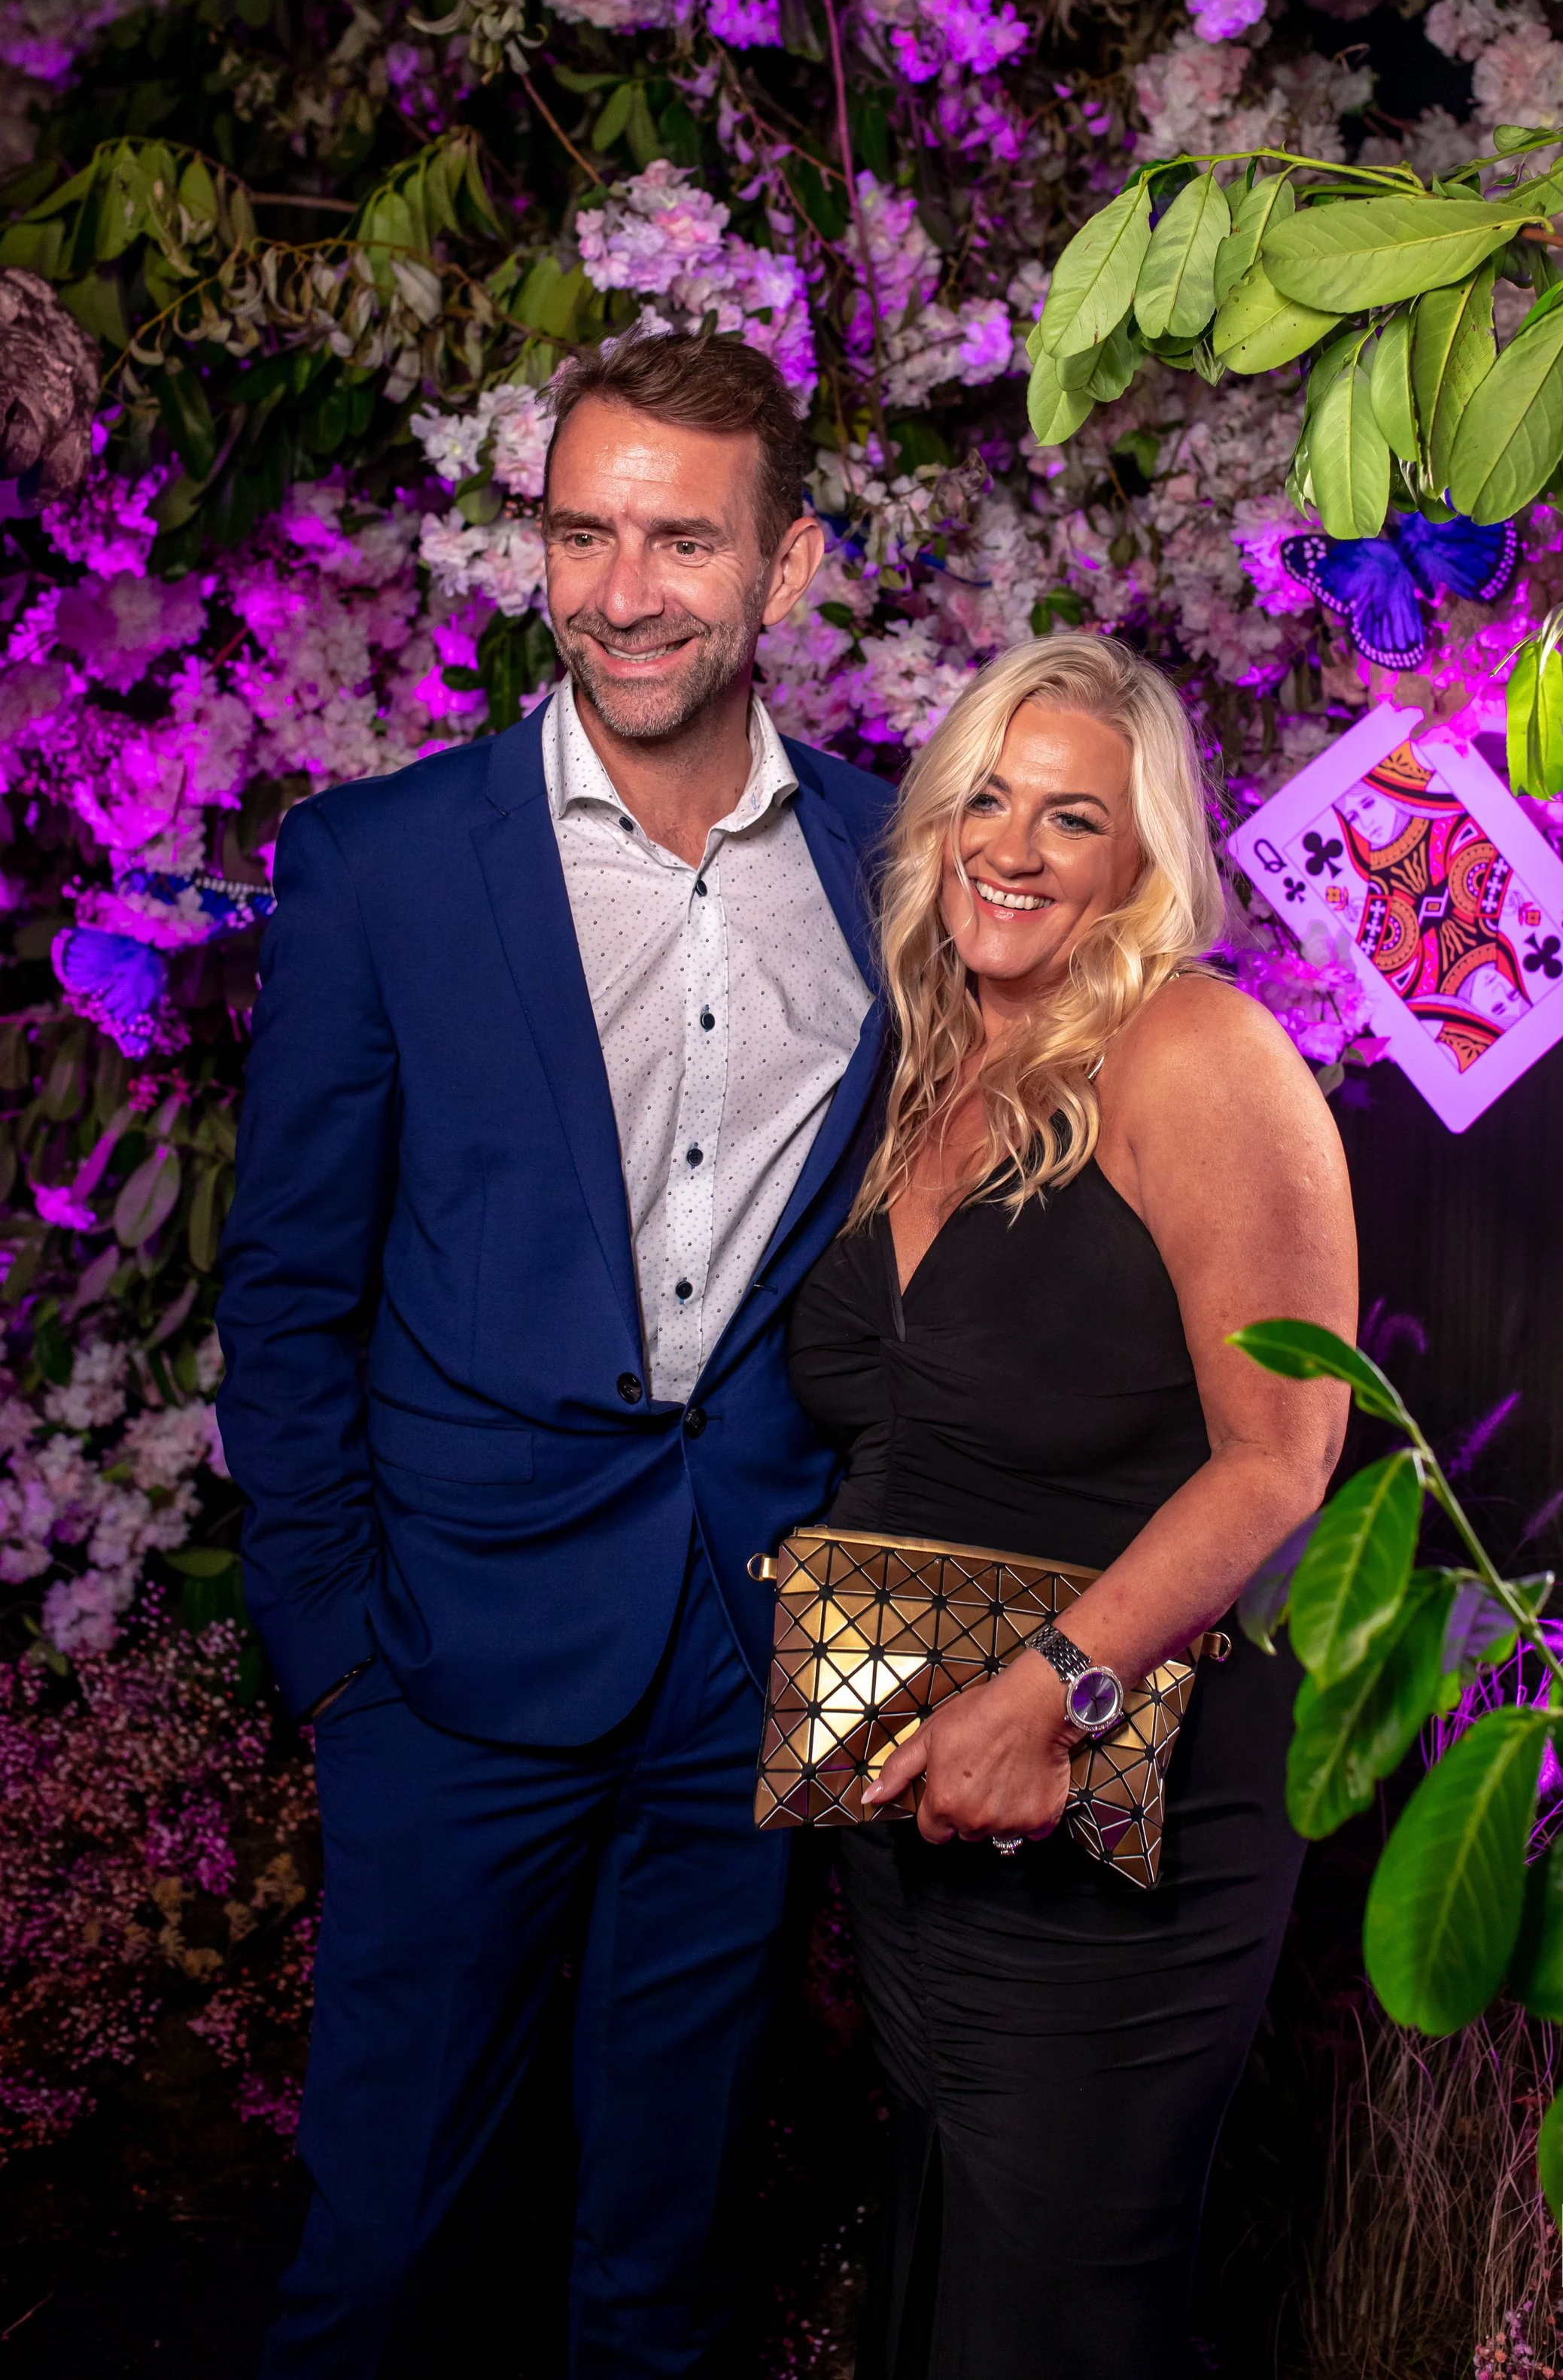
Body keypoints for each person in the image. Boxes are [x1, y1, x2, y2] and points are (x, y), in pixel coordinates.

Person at [216, 333, 895, 2375]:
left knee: (660, 2263)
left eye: (682, 539)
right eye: (583, 532)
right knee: (384, 2246)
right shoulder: (386, 865)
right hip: (444, 1657)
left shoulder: (894, 866)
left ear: (786, 566)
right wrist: (334, 1648)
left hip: (740, 1653)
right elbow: (289, 1286)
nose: (622, 589)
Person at [787, 634, 1358, 2380]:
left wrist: (1046, 1696)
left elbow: (1282, 1454)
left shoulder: (1198, 1054)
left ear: (1139, 857)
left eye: (1070, 817)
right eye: (983, 798)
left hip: (1123, 1801)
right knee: (948, 2257)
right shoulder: (916, 1066)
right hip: (917, 1793)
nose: (1010, 848)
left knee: (1051, 2302)